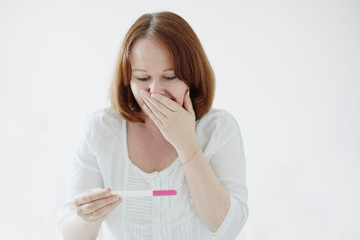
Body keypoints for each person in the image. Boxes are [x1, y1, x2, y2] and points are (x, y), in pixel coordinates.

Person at [59, 11, 248, 240]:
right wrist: (88, 216)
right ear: (127, 80)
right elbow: (70, 234)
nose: (155, 92)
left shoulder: (219, 129)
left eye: (169, 77)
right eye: (142, 78)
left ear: (193, 77)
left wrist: (187, 145)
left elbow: (228, 227)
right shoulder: (102, 129)